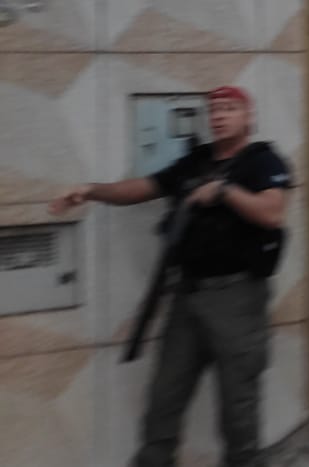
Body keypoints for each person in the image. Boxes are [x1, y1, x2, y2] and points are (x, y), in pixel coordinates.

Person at [49, 85, 291, 467]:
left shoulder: (263, 161)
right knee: (164, 398)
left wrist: (224, 192)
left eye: (230, 108)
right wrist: (90, 191)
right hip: (187, 298)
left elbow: (272, 213)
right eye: (214, 109)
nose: (219, 115)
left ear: (249, 116)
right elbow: (142, 188)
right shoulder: (195, 161)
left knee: (238, 407)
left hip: (237, 299)